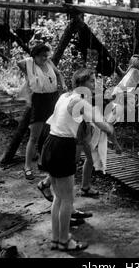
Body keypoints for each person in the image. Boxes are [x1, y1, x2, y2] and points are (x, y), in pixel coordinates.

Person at [41, 68, 114, 251]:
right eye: (91, 81)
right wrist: (111, 129)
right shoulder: (81, 102)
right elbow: (103, 125)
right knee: (66, 199)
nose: (94, 84)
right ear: (82, 84)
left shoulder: (64, 97)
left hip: (50, 143)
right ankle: (65, 241)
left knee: (59, 197)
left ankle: (57, 239)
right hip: (63, 147)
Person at [16, 43, 66, 180]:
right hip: (39, 100)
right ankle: (27, 166)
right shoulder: (29, 63)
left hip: (53, 98)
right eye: (42, 56)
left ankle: (42, 161)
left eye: (46, 55)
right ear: (35, 55)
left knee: (50, 132)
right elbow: (19, 63)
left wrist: (62, 84)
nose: (45, 58)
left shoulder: (49, 63)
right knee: (34, 135)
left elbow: (58, 73)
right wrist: (28, 72)